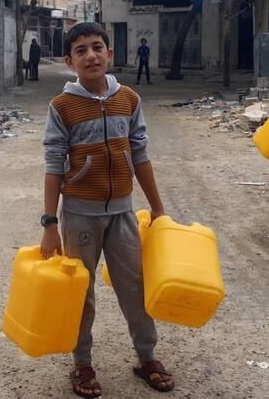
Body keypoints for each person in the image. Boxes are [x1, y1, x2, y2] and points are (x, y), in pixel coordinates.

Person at [40, 22, 174, 397]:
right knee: (80, 292)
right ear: (69, 61)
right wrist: (50, 223)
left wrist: (158, 209)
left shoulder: (128, 99)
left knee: (135, 286)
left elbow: (141, 155)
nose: (91, 55)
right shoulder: (62, 106)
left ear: (110, 54)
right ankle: (82, 364)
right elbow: (53, 165)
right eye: (80, 50)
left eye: (97, 47)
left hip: (123, 214)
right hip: (80, 215)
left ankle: (146, 356)